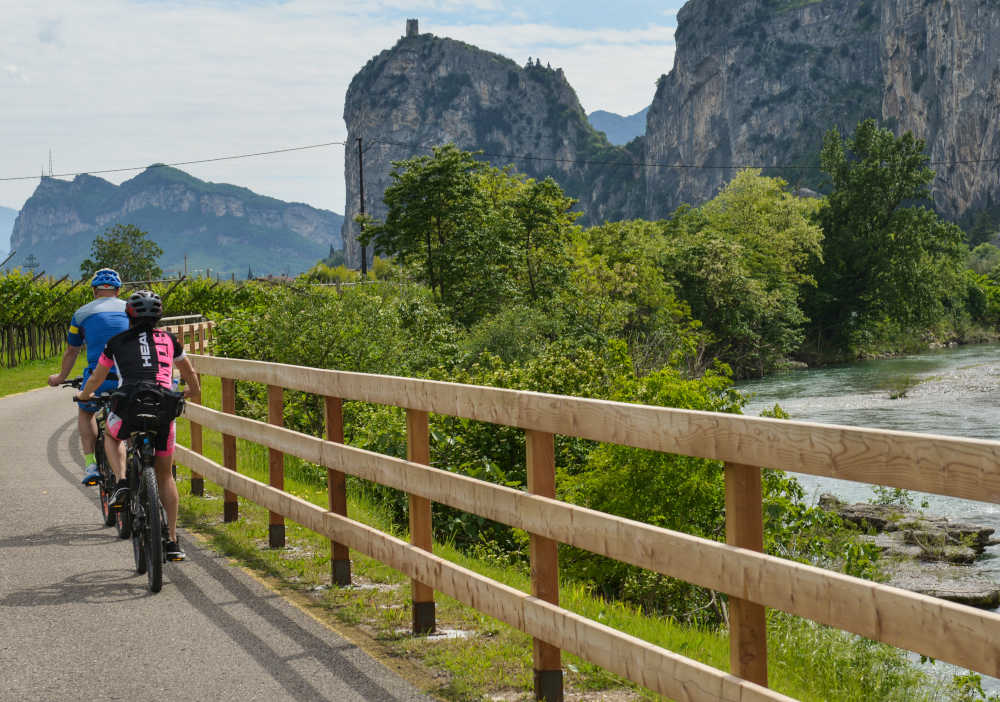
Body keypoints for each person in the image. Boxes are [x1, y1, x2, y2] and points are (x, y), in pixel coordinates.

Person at [76, 290, 201, 562]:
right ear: (159, 316)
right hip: (162, 408)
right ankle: (171, 540)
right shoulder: (170, 340)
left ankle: (121, 481)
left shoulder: (116, 342)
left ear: (128, 315)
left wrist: (84, 396)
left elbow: (97, 377)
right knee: (165, 475)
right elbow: (189, 372)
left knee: (112, 435)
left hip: (129, 406)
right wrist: (192, 391)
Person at [48, 268, 129, 486]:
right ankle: (132, 458)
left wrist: (60, 377)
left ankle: (91, 463)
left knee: (86, 410)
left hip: (99, 378)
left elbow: (72, 351)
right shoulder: (131, 310)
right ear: (118, 290)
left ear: (94, 291)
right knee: (127, 413)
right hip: (128, 378)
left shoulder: (80, 314)